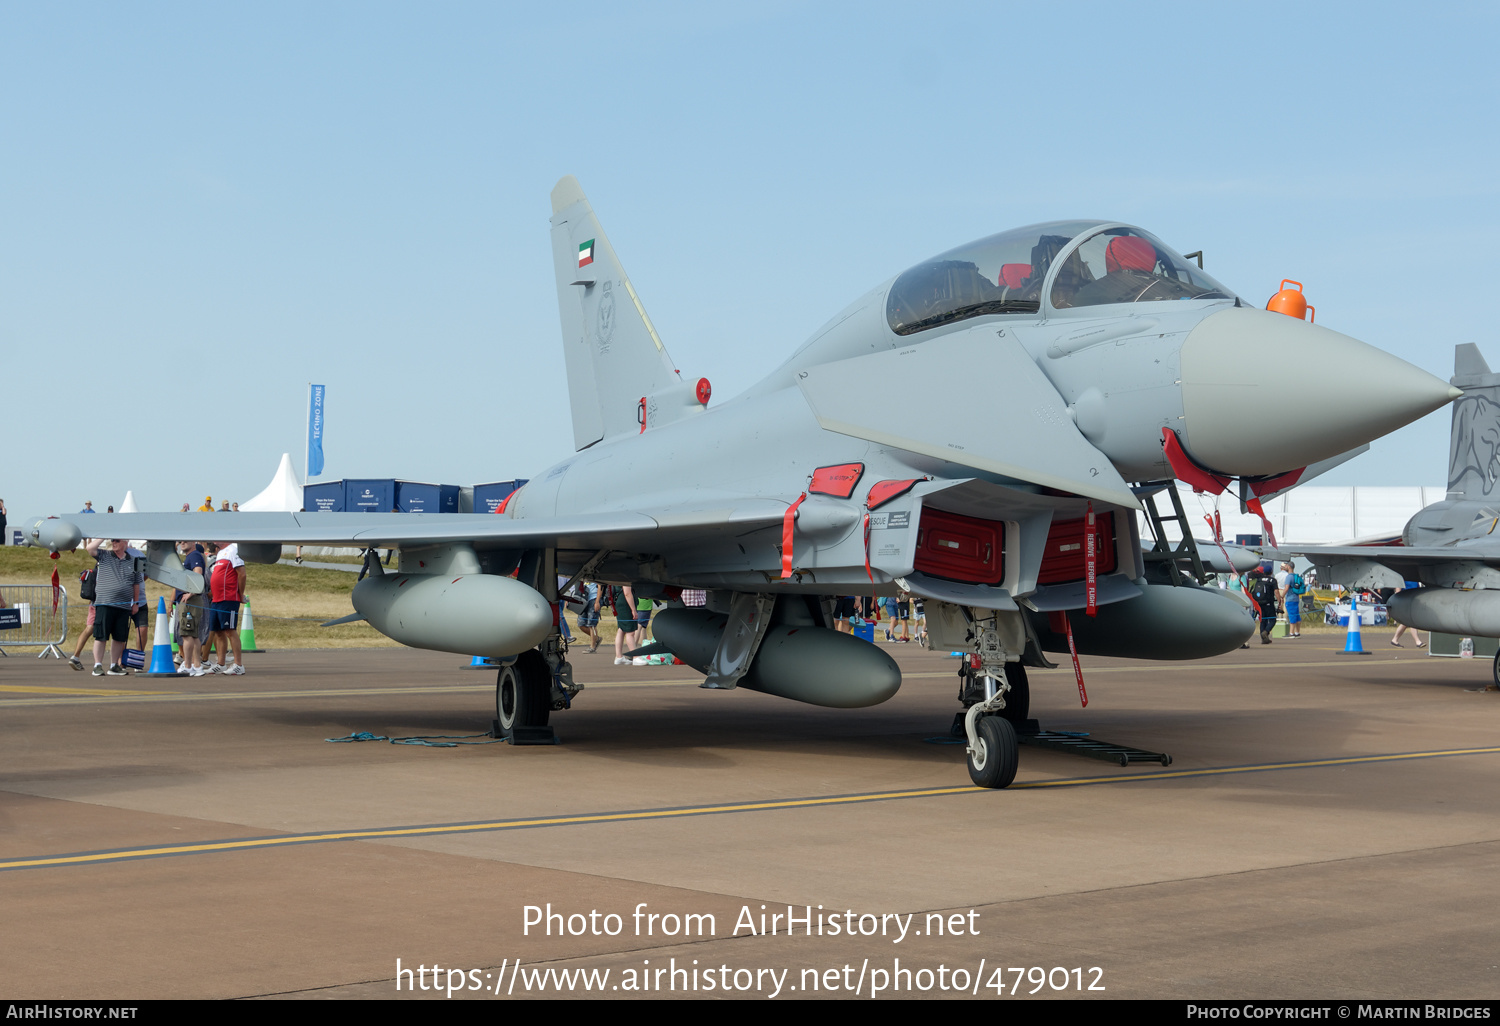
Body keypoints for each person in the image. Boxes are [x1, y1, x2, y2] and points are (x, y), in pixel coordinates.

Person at [86, 538, 143, 675]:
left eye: (117, 540)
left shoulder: (135, 561)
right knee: (101, 635)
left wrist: (135, 603)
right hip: (105, 602)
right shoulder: (104, 555)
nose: (114, 543)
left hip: (123, 606)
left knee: (119, 637)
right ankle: (97, 665)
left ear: (125, 542)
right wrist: (103, 536)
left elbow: (137, 584)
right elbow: (90, 549)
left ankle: (114, 665)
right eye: (112, 540)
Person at [207, 541, 247, 674]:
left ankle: (238, 665)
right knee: (218, 631)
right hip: (217, 599)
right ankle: (221, 663)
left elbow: (241, 574)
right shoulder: (220, 554)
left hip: (228, 598)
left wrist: (240, 594)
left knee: (230, 630)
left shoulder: (234, 549)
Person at [1391, 582, 1426, 648]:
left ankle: (1394, 640)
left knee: (1406, 622)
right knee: (1411, 621)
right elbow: (1398, 591)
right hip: (1405, 601)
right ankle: (1418, 642)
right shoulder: (1403, 578)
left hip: (1413, 601)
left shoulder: (1415, 580)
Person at [1277, 561, 1306, 639]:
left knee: (1292, 616)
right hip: (1296, 598)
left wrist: (1282, 596)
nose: (1285, 567)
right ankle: (1297, 632)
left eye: (1286, 565)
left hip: (1290, 598)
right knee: (1297, 615)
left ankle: (1291, 633)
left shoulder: (1289, 577)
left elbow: (1286, 588)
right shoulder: (1295, 576)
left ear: (1289, 567)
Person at [611, 584, 638, 666]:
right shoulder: (626, 576)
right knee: (630, 632)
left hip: (620, 602)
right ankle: (635, 657)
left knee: (621, 630)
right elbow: (627, 593)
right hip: (625, 604)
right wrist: (633, 609)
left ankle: (619, 656)